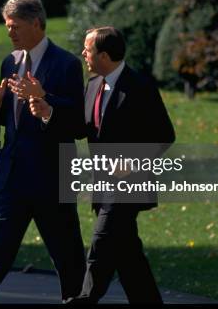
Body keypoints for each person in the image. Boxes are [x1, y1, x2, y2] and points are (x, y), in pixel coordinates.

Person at [0, 0, 87, 303]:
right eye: (7, 26)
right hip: (12, 171)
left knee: (65, 249)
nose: (9, 32)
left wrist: (46, 101)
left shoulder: (66, 64)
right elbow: (6, 120)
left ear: (36, 24)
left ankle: (77, 299)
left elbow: (78, 124)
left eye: (15, 26)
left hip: (52, 174)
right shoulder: (9, 62)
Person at [54, 26, 176, 304]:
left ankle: (84, 298)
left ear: (105, 56)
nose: (83, 54)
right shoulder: (93, 85)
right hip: (102, 186)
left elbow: (164, 135)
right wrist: (47, 109)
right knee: (128, 257)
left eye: (88, 50)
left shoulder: (140, 87)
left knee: (101, 242)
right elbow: (81, 128)